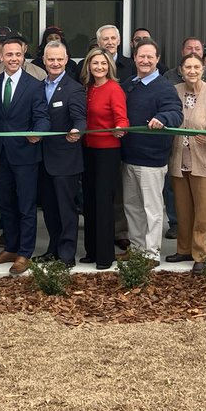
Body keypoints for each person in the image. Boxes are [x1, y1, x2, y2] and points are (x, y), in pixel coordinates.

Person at [0, 33, 49, 274]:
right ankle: (10, 248)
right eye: (9, 54)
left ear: (24, 57)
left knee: (25, 206)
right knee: (6, 204)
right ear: (0, 57)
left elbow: (42, 117)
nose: (13, 58)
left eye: (18, 54)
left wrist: (38, 133)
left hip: (25, 155)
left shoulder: (35, 86)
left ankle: (24, 253)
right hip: (0, 155)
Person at [121, 38, 183, 260]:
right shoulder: (129, 84)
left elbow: (176, 113)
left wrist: (161, 117)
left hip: (152, 160)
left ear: (157, 60)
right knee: (132, 207)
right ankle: (137, 250)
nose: (145, 60)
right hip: (129, 157)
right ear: (135, 58)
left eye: (150, 57)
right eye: (141, 56)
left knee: (152, 210)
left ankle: (151, 254)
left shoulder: (164, 87)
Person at [167, 53, 206, 272]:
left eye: (196, 67)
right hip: (179, 159)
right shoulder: (176, 91)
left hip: (203, 159)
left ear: (203, 70)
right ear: (181, 70)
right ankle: (183, 248)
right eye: (188, 67)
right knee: (182, 208)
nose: (192, 71)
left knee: (203, 209)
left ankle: (200, 254)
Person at [37, 41, 87, 267]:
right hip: (42, 159)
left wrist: (78, 130)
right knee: (49, 209)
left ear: (66, 60)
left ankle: (67, 255)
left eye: (59, 59)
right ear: (44, 61)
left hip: (65, 159)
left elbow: (80, 118)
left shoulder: (74, 88)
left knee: (66, 210)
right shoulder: (38, 86)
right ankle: (53, 249)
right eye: (51, 59)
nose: (55, 63)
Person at [80, 47, 128, 269]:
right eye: (95, 63)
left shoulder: (113, 88)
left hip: (107, 151)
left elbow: (122, 119)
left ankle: (105, 256)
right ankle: (91, 251)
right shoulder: (87, 89)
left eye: (103, 63)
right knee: (89, 202)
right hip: (88, 150)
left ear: (110, 66)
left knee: (103, 202)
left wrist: (120, 128)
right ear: (88, 65)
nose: (99, 67)